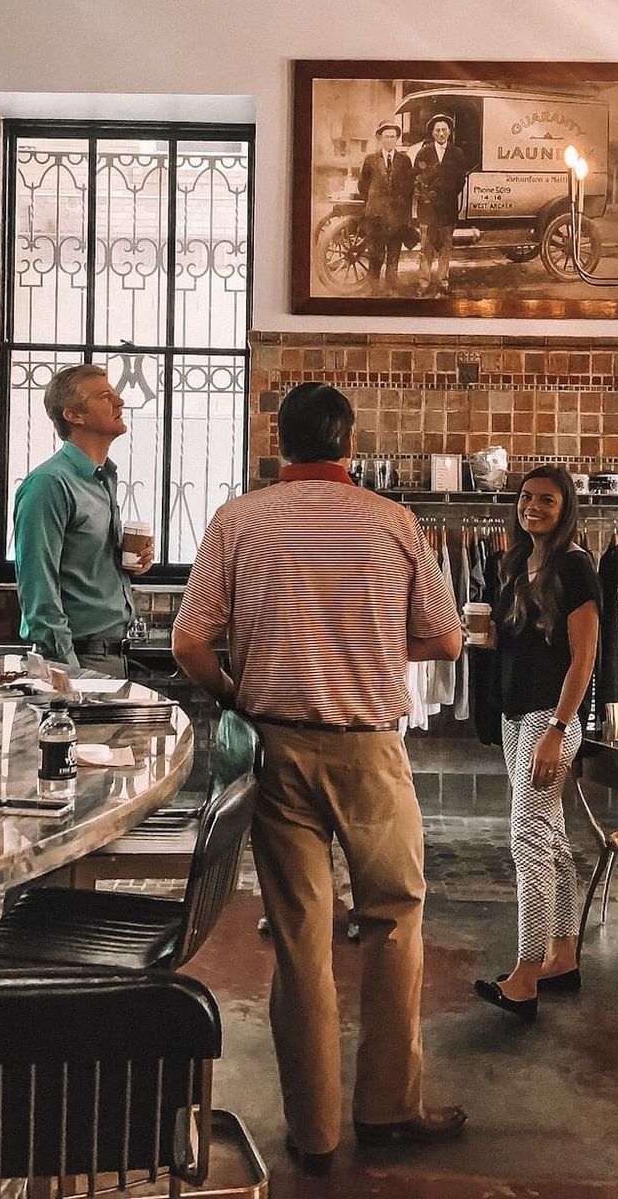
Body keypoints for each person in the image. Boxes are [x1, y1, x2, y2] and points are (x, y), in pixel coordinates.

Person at [173, 382, 467, 1174]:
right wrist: (368, 643)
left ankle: (313, 1132)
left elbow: (190, 641)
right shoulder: (393, 522)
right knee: (394, 919)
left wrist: (241, 689)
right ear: (349, 440)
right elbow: (445, 641)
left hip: (276, 751)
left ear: (280, 438)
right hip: (369, 750)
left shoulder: (239, 520)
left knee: (300, 940)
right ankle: (389, 1106)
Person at [473, 464, 599, 1021]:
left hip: (551, 717)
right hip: (514, 712)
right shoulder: (513, 563)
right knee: (550, 834)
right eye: (527, 498)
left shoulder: (575, 566)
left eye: (547, 501)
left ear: (564, 508)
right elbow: (518, 640)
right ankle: (563, 957)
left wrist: (557, 731)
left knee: (527, 835)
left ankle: (525, 973)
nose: (533, 508)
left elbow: (584, 656)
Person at [12, 362, 153, 676]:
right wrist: (70, 675)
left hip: (112, 654)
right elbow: (38, 593)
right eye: (104, 397)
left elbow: (84, 566)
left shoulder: (102, 478)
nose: (120, 402)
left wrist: (132, 563)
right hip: (79, 659)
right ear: (73, 415)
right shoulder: (49, 484)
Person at [412, 112, 470, 295]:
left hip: (447, 209)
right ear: (433, 133)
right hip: (428, 210)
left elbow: (461, 179)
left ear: (450, 132)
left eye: (444, 129)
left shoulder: (457, 153)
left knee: (445, 247)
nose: (441, 133)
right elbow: (417, 178)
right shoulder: (424, 152)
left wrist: (447, 192)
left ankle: (443, 281)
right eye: (437, 130)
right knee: (426, 248)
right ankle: (423, 283)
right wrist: (426, 196)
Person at [356, 121, 415, 292]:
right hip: (376, 217)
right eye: (386, 136)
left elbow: (409, 188)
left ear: (397, 138)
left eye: (393, 136)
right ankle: (374, 289)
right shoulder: (370, 160)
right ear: (379, 138)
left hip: (397, 217)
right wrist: (376, 203)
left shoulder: (404, 160)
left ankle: (391, 287)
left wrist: (405, 216)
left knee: (394, 254)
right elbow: (363, 186)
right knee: (376, 254)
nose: (390, 140)